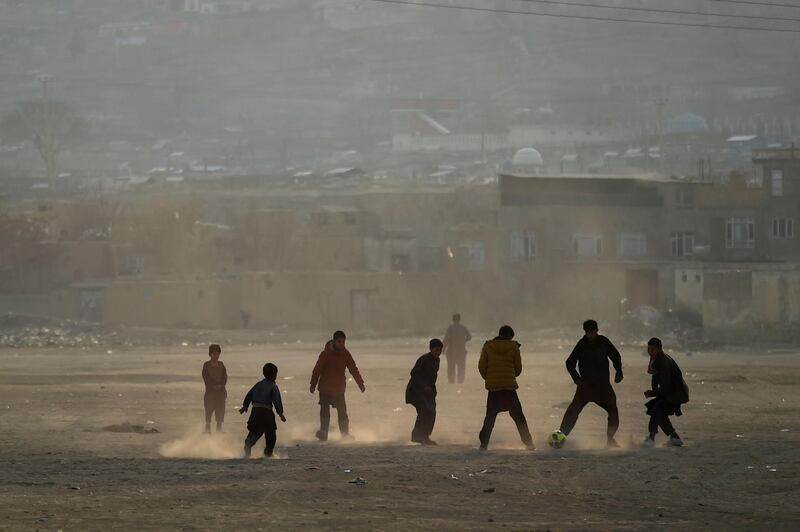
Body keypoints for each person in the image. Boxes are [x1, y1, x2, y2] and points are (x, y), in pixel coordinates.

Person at [558, 319, 623, 448]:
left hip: (603, 387)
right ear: (585, 332)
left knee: (613, 410)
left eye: (592, 332)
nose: (590, 334)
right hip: (585, 387)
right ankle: (560, 438)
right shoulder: (581, 344)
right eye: (588, 332)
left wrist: (619, 372)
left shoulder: (603, 342)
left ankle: (610, 439)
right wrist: (577, 379)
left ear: (597, 330)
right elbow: (569, 363)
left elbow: (616, 356)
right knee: (573, 411)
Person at [478, 325, 535, 451]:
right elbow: (518, 369)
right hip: (509, 388)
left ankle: (484, 445)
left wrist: (489, 378)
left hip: (494, 389)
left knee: (490, 417)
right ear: (510, 336)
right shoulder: (514, 347)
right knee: (519, 417)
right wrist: (510, 376)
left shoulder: (487, 346)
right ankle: (529, 443)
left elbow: (482, 366)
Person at [310, 330, 365, 441]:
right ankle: (324, 432)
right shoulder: (325, 354)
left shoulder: (346, 354)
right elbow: (317, 370)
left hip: (339, 389)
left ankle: (345, 434)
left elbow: (353, 369)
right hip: (325, 388)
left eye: (343, 342)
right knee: (324, 410)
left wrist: (360, 383)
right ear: (334, 341)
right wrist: (313, 384)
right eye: (339, 341)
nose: (341, 344)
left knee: (342, 411)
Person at [642, 337, 689, 447]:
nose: (650, 352)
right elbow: (656, 379)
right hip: (671, 393)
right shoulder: (656, 359)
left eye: (652, 350)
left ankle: (651, 438)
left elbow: (667, 387)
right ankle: (675, 437)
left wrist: (652, 393)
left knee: (656, 409)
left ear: (659, 349)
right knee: (660, 414)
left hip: (675, 393)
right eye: (648, 350)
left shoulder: (663, 361)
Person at [240, 363, 286, 458]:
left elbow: (249, 395)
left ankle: (247, 447)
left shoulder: (258, 384)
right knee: (271, 435)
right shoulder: (273, 386)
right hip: (266, 413)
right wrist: (280, 414)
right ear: (275, 375)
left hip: (255, 412)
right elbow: (277, 400)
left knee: (255, 432)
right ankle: (268, 454)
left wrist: (245, 406)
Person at [405, 339, 442, 445]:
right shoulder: (424, 359)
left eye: (440, 350)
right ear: (431, 349)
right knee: (424, 411)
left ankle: (425, 436)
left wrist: (432, 390)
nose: (438, 352)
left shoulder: (437, 360)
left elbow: (433, 378)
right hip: (415, 391)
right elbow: (414, 373)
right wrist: (424, 386)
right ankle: (416, 436)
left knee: (432, 412)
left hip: (428, 393)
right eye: (436, 349)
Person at [202, 344, 228, 434]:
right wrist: (213, 386)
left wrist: (221, 385)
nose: (216, 356)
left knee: (220, 410)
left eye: (218, 354)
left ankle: (219, 429)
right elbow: (206, 377)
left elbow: (225, 377)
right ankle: (208, 429)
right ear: (210, 354)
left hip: (221, 392)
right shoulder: (206, 365)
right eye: (214, 354)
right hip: (210, 392)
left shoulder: (221, 364)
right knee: (209, 409)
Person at [443, 313, 472, 384]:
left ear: (453, 319)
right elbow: (469, 337)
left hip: (451, 351)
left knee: (451, 368)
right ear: (459, 319)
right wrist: (464, 341)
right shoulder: (463, 327)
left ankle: (451, 381)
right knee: (461, 368)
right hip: (461, 351)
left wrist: (443, 348)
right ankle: (460, 381)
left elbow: (446, 339)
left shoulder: (450, 328)